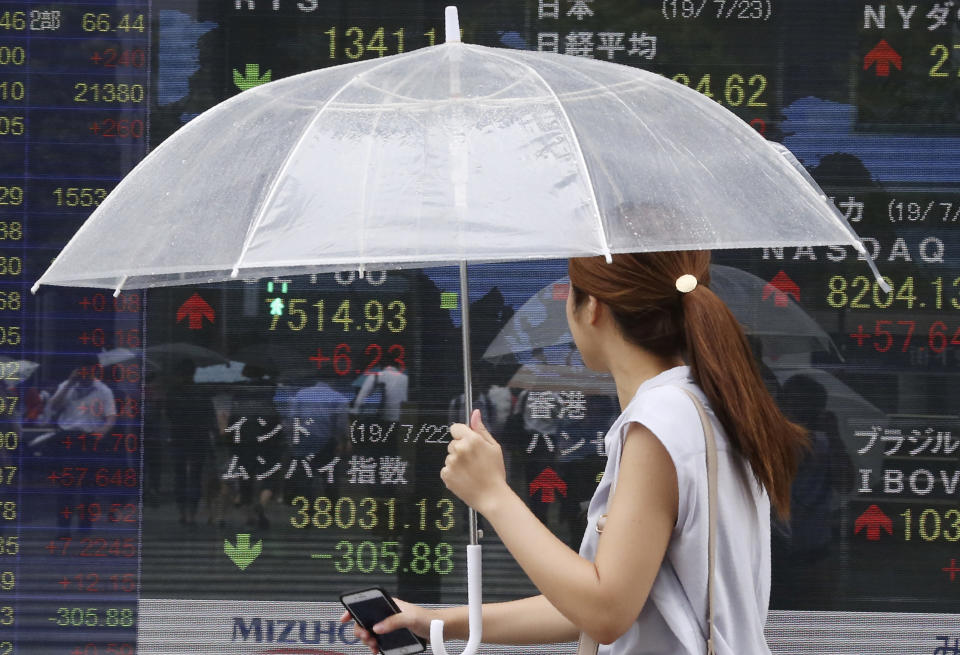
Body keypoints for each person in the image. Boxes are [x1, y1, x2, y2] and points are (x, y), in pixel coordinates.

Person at [343, 251, 808, 655]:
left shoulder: (660, 421)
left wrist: (492, 496)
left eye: (570, 292)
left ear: (594, 309)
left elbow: (606, 610)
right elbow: (587, 602)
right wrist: (433, 621)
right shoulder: (704, 406)